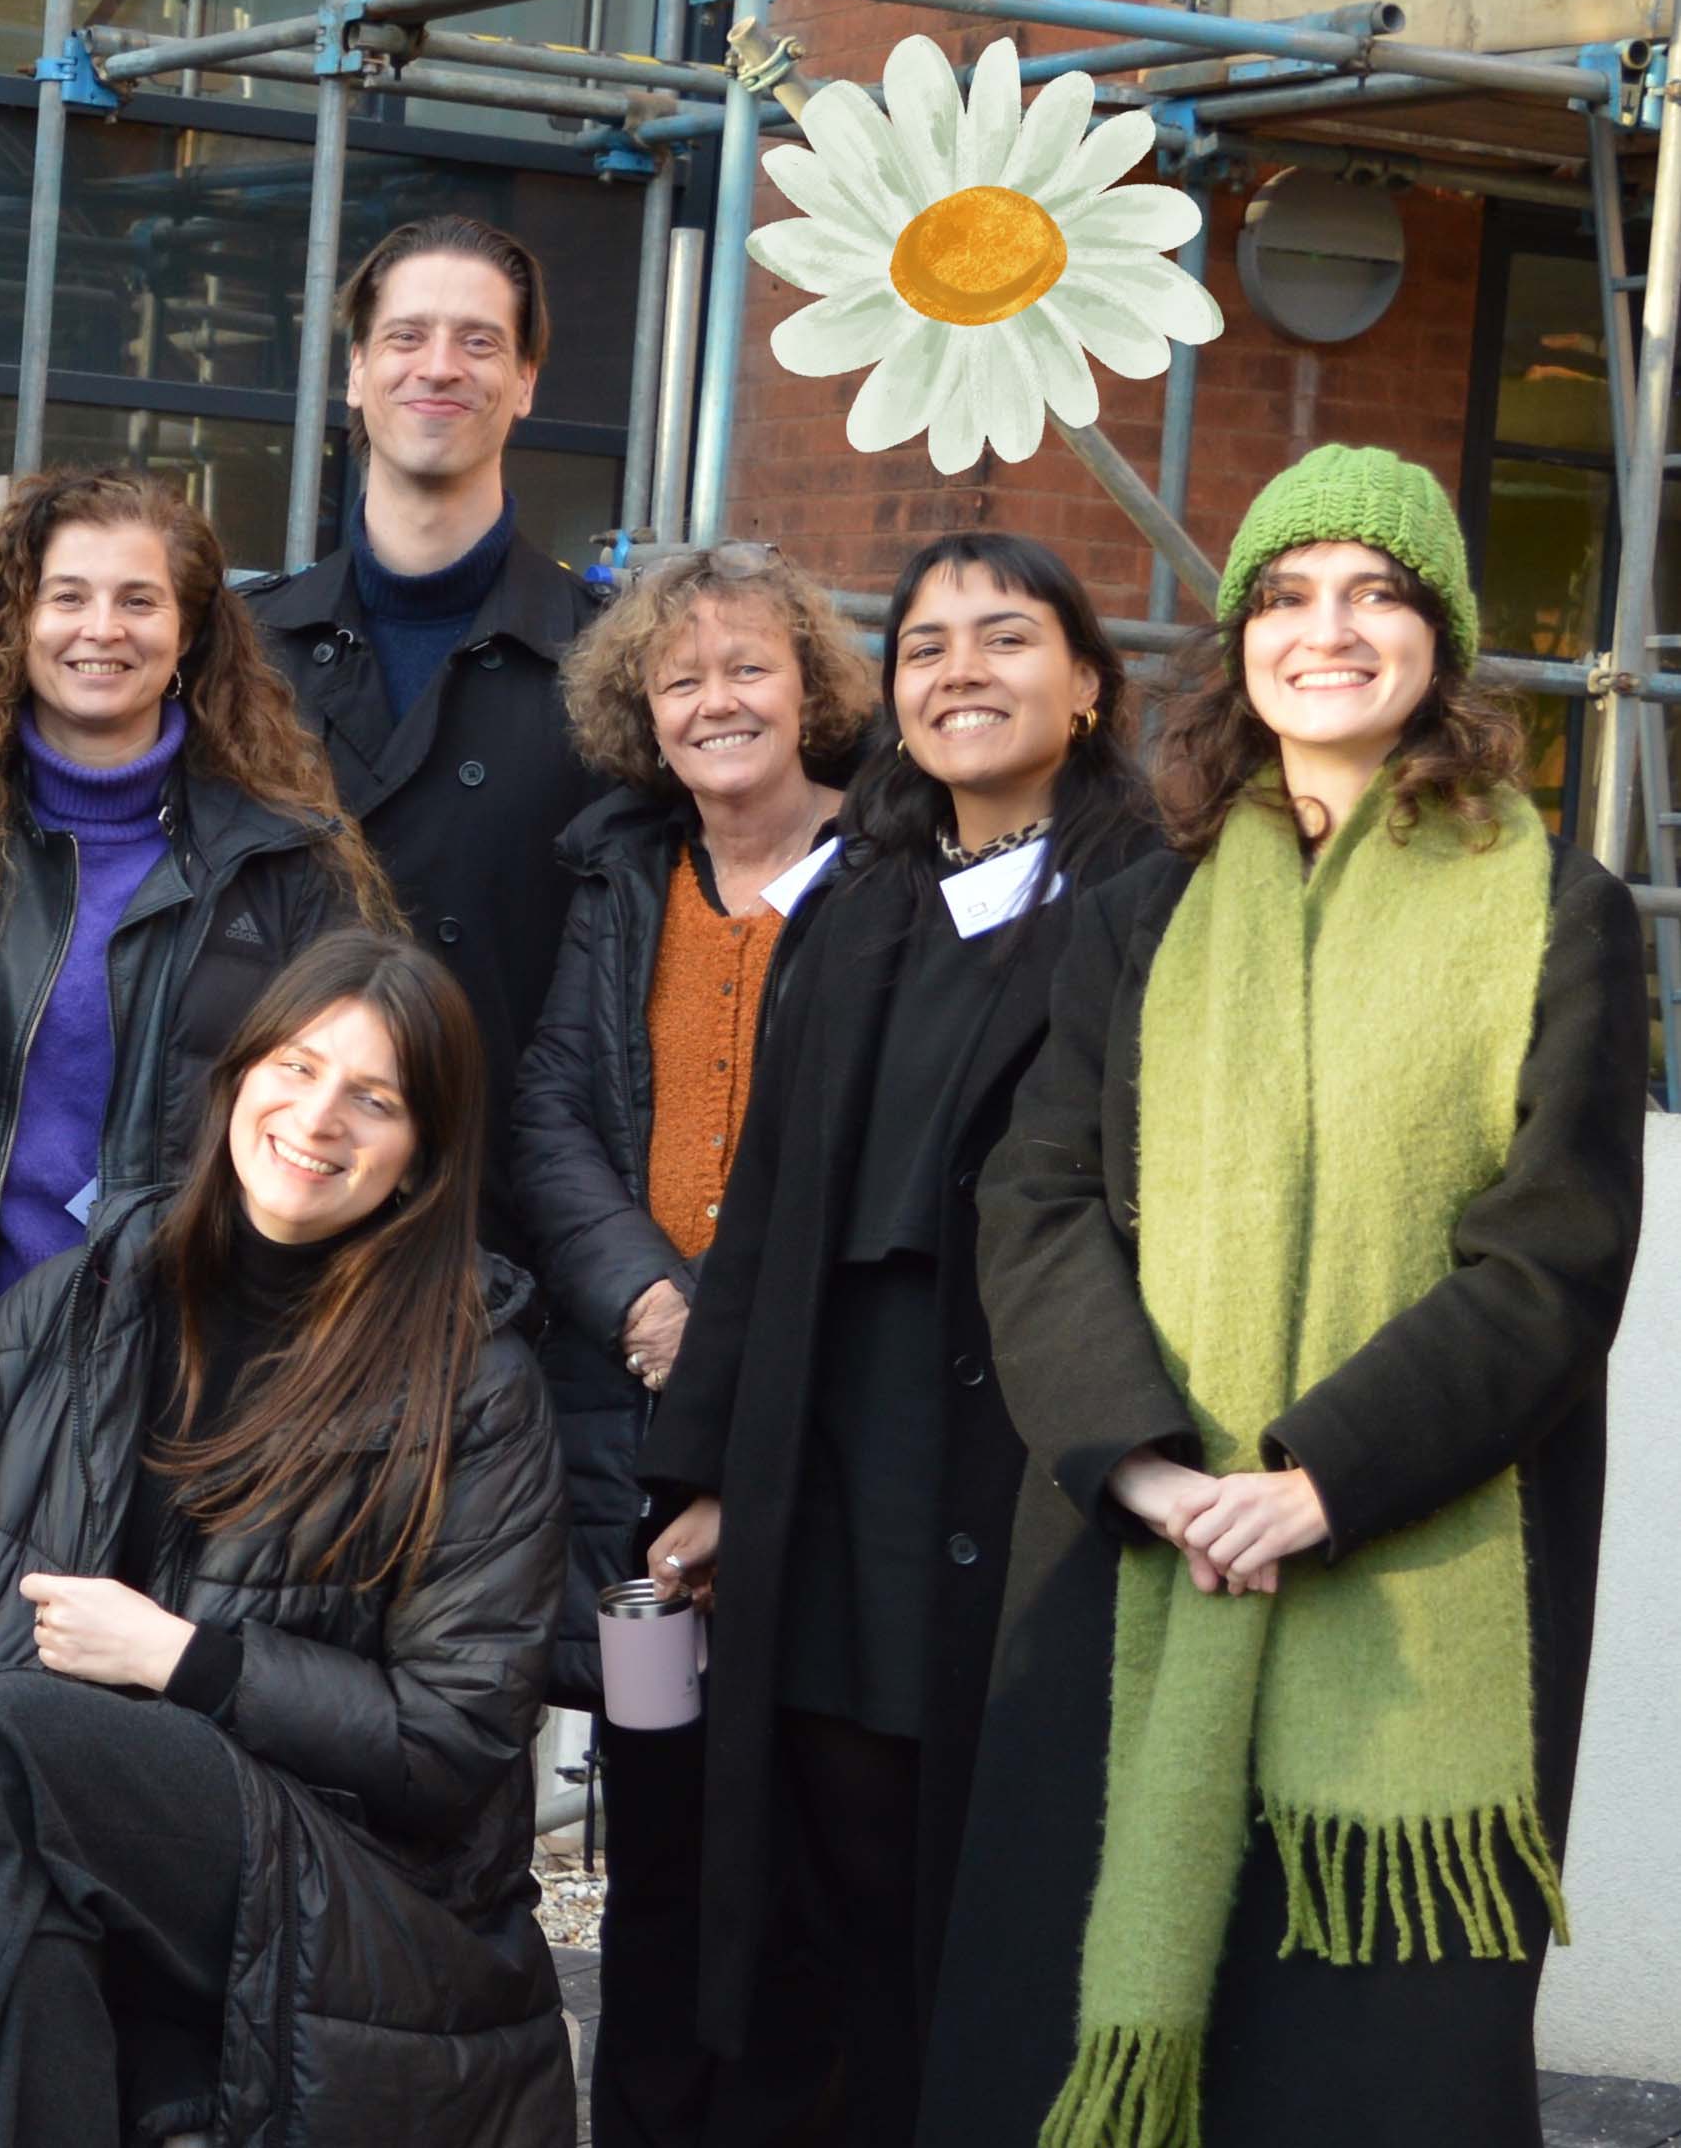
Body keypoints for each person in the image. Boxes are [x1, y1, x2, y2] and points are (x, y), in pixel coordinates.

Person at [928, 450, 1643, 2148]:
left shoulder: (1563, 913)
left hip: (1413, 1574)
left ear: (1442, 645)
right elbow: (1033, 1198)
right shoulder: (1133, 920)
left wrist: (1319, 1478)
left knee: (1357, 2070)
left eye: (1378, 593)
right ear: (1239, 644)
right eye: (1287, 596)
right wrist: (1150, 1466)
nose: (1329, 630)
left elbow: (1551, 1258)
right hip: (1136, 1559)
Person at [0, 932, 571, 2148]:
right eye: (295, 1068)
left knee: (14, 1719)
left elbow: (452, 1740)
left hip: (327, 1876)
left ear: (422, 1155)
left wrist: (186, 1661)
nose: (317, 1119)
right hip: (23, 1835)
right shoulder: (67, 1309)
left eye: (372, 1102)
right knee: (10, 1953)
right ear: (236, 1079)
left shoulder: (473, 1386)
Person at [627, 532, 1160, 2145]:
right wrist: (709, 1469)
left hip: (1016, 1448)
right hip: (830, 1438)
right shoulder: (858, 904)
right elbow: (769, 1202)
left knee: (985, 1852)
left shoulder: (1149, 904)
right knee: (830, 1835)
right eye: (924, 646)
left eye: (1005, 639)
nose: (959, 672)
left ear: (1084, 686)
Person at [497, 540, 872, 2148]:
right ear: (639, 715)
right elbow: (550, 1116)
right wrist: (650, 1308)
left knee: (808, 1839)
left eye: (745, 667)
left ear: (810, 689)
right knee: (651, 1823)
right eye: (678, 678)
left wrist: (731, 1355)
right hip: (639, 1445)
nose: (713, 700)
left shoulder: (894, 883)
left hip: (821, 1442)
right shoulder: (613, 879)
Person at [0, 465, 383, 1414]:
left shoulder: (284, 865)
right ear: (19, 621)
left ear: (187, 633)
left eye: (138, 600)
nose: (100, 629)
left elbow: (347, 1134)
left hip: (177, 1369)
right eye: (67, 597)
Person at [243, 217, 607, 1206]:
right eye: (405, 337)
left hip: (500, 1220)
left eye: (479, 340)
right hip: (261, 1201)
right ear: (356, 372)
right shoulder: (237, 651)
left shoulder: (613, 664)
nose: (438, 367)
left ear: (525, 382)